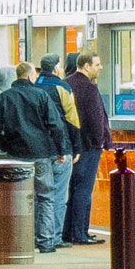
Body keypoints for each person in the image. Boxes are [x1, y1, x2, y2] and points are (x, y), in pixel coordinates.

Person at [0, 61, 70, 253]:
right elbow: (55, 125)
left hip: (16, 155)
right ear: (31, 76)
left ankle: (20, 239)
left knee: (17, 198)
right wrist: (60, 150)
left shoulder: (5, 97)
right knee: (45, 197)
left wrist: (7, 146)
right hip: (41, 154)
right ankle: (46, 242)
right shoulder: (40, 95)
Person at [36, 54, 81, 245]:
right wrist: (76, 146)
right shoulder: (63, 87)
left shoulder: (34, 86)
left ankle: (39, 235)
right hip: (61, 148)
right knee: (59, 194)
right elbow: (72, 118)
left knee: (39, 196)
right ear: (56, 69)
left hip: (38, 150)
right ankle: (54, 237)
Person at [65, 51, 109, 245]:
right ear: (85, 66)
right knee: (84, 189)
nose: (100, 68)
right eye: (97, 64)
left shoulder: (67, 83)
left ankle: (69, 231)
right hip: (89, 146)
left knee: (72, 189)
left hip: (73, 145)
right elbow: (96, 118)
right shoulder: (89, 88)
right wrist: (101, 140)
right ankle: (80, 232)